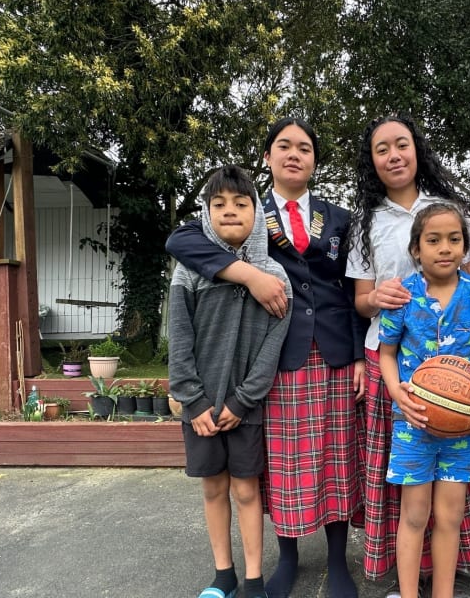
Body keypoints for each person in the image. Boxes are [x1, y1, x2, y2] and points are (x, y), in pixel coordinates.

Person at [166, 117, 366, 598]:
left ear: (315, 160)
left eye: (304, 147)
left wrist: (361, 353)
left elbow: (356, 282)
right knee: (284, 463)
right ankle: (289, 557)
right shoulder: (250, 212)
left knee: (337, 455)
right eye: (283, 146)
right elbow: (180, 241)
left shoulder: (339, 218)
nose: (294, 153)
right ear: (268, 157)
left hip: (336, 348)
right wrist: (248, 275)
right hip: (278, 350)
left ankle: (337, 560)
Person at [346, 114, 470, 598]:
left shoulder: (452, 210)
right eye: (382, 149)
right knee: (407, 501)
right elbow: (361, 301)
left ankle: (447, 580)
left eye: (402, 145)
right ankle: (406, 583)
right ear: (371, 161)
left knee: (451, 507)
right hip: (401, 373)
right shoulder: (366, 222)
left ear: (417, 150)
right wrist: (381, 299)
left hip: (457, 381)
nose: (394, 155)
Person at [167, 164, 292, 598]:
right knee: (214, 487)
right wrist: (192, 401)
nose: (230, 211)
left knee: (246, 489)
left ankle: (254, 578)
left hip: (246, 409)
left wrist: (243, 402)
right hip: (200, 408)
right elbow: (178, 341)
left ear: (258, 213)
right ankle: (224, 576)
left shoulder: (276, 279)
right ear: (205, 213)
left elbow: (272, 348)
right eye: (218, 204)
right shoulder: (186, 273)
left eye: (241, 203)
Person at [377, 203, 470, 598]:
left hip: (461, 428)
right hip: (412, 423)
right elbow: (385, 354)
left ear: (465, 247)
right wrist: (397, 389)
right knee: (414, 517)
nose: (445, 248)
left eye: (454, 239)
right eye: (433, 240)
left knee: (451, 518)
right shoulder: (401, 295)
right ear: (417, 248)